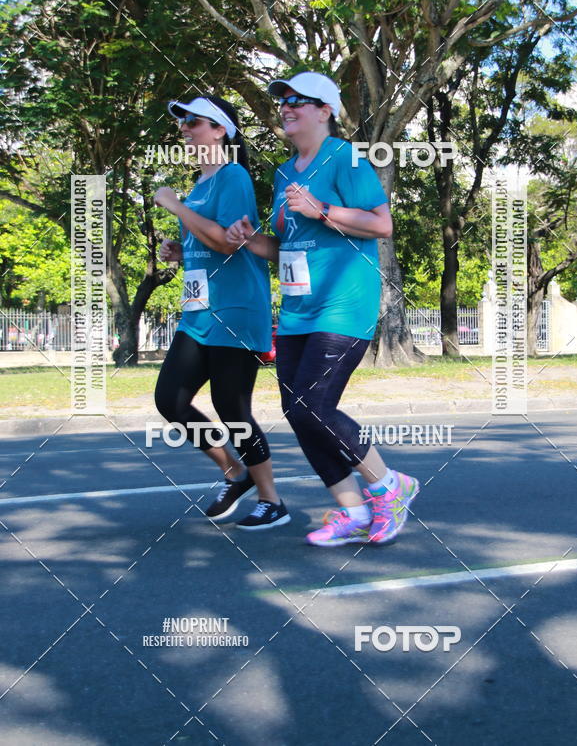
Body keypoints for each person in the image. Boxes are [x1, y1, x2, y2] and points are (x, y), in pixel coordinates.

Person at [226, 72, 419, 546]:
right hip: (297, 310)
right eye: (283, 101)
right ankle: (351, 512)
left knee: (314, 405)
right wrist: (252, 240)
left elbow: (381, 224)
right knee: (297, 411)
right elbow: (285, 245)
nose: (286, 107)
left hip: (343, 305)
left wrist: (322, 209)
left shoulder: (347, 158)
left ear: (325, 110)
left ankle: (388, 487)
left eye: (298, 100)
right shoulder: (283, 172)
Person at [153, 94, 290, 530]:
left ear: (219, 130)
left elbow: (229, 243)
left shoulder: (233, 177)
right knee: (170, 400)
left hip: (235, 309)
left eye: (193, 122)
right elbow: (204, 240)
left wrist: (175, 207)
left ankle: (272, 498)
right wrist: (179, 250)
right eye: (183, 124)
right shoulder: (197, 185)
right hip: (198, 311)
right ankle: (234, 471)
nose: (184, 130)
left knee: (232, 408)